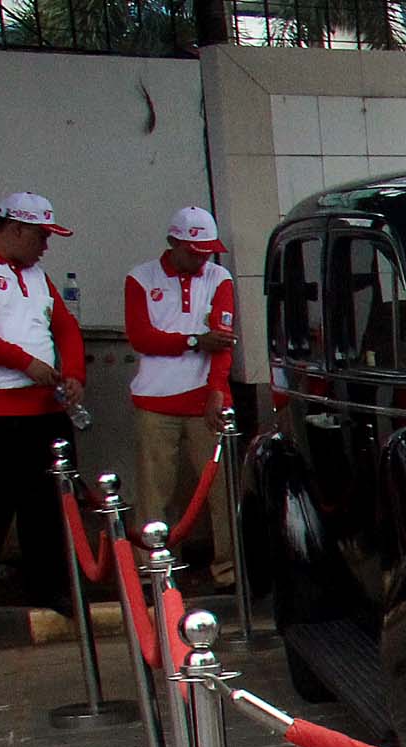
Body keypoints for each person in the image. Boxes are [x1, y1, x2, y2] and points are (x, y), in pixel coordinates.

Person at [124, 205, 237, 585]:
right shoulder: (140, 278)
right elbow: (141, 337)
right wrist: (194, 341)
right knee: (155, 491)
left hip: (207, 399)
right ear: (173, 242)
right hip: (155, 401)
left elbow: (223, 342)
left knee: (222, 491)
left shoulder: (219, 277)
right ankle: (150, 568)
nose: (202, 258)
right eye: (194, 251)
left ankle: (228, 570)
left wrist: (217, 390)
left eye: (208, 251)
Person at [0, 191, 86, 614]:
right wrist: (24, 362)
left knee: (46, 507)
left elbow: (65, 328)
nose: (45, 246)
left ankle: (48, 587)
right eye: (41, 236)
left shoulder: (39, 277)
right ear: (15, 229)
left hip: (46, 410)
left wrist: (75, 373)